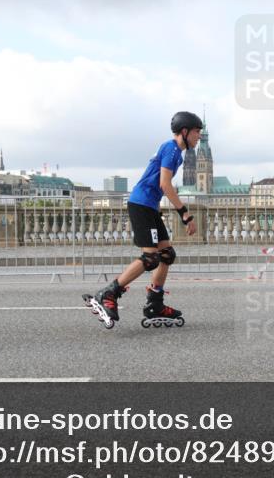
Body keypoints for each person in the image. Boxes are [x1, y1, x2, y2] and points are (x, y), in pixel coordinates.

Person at [86, 112, 201, 328]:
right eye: (197, 132)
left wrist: (157, 209)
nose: (199, 136)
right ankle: (108, 293)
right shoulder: (171, 148)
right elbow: (165, 184)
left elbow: (156, 184)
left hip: (149, 206)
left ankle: (154, 303)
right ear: (184, 132)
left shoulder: (177, 153)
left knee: (167, 254)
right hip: (141, 205)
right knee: (150, 258)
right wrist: (185, 214)